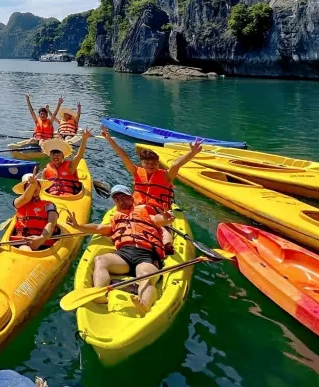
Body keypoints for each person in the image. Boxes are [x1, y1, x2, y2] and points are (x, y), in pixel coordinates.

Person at [66, 184, 174, 312]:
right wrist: (78, 226)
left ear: (131, 198)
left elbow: (159, 220)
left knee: (146, 275)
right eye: (117, 199)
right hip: (124, 256)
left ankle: (144, 304)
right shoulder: (115, 219)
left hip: (146, 255)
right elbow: (98, 228)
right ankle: (99, 293)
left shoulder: (145, 212)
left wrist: (167, 218)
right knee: (101, 260)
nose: (121, 201)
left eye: (124, 197)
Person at [101, 126, 203, 249]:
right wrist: (109, 139)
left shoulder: (166, 176)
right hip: (136, 209)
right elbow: (123, 156)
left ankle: (167, 245)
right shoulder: (136, 171)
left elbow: (177, 164)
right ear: (142, 163)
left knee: (162, 228)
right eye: (147, 162)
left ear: (158, 163)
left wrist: (192, 152)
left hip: (158, 210)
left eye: (154, 163)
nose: (151, 165)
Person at [10, 170, 62, 251]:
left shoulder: (49, 205)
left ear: (40, 187)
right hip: (20, 241)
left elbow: (51, 222)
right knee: (24, 248)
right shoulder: (18, 202)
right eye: (28, 186)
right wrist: (33, 184)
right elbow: (26, 198)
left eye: (37, 184)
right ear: (24, 190)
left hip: (43, 241)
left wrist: (42, 238)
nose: (34, 187)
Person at [40, 131, 91, 196]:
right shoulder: (45, 171)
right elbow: (42, 187)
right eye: (53, 154)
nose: (55, 156)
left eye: (58, 154)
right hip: (51, 196)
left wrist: (84, 139)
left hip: (69, 197)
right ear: (50, 156)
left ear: (63, 156)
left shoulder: (71, 167)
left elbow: (79, 155)